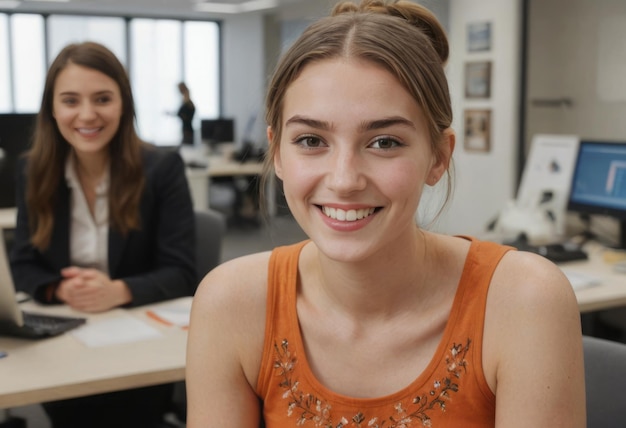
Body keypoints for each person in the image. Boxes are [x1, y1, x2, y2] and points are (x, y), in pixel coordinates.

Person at [185, 0, 586, 427]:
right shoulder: (231, 304)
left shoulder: (525, 302)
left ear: (438, 157)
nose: (344, 180)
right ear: (277, 152)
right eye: (310, 140)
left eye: (384, 143)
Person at [10, 41, 196, 428]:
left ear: (124, 104)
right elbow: (23, 263)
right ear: (52, 110)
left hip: (137, 342)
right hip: (66, 335)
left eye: (102, 98)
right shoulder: (34, 171)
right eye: (71, 100)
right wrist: (60, 290)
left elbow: (182, 271)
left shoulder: (162, 169)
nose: (87, 114)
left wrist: (118, 291)